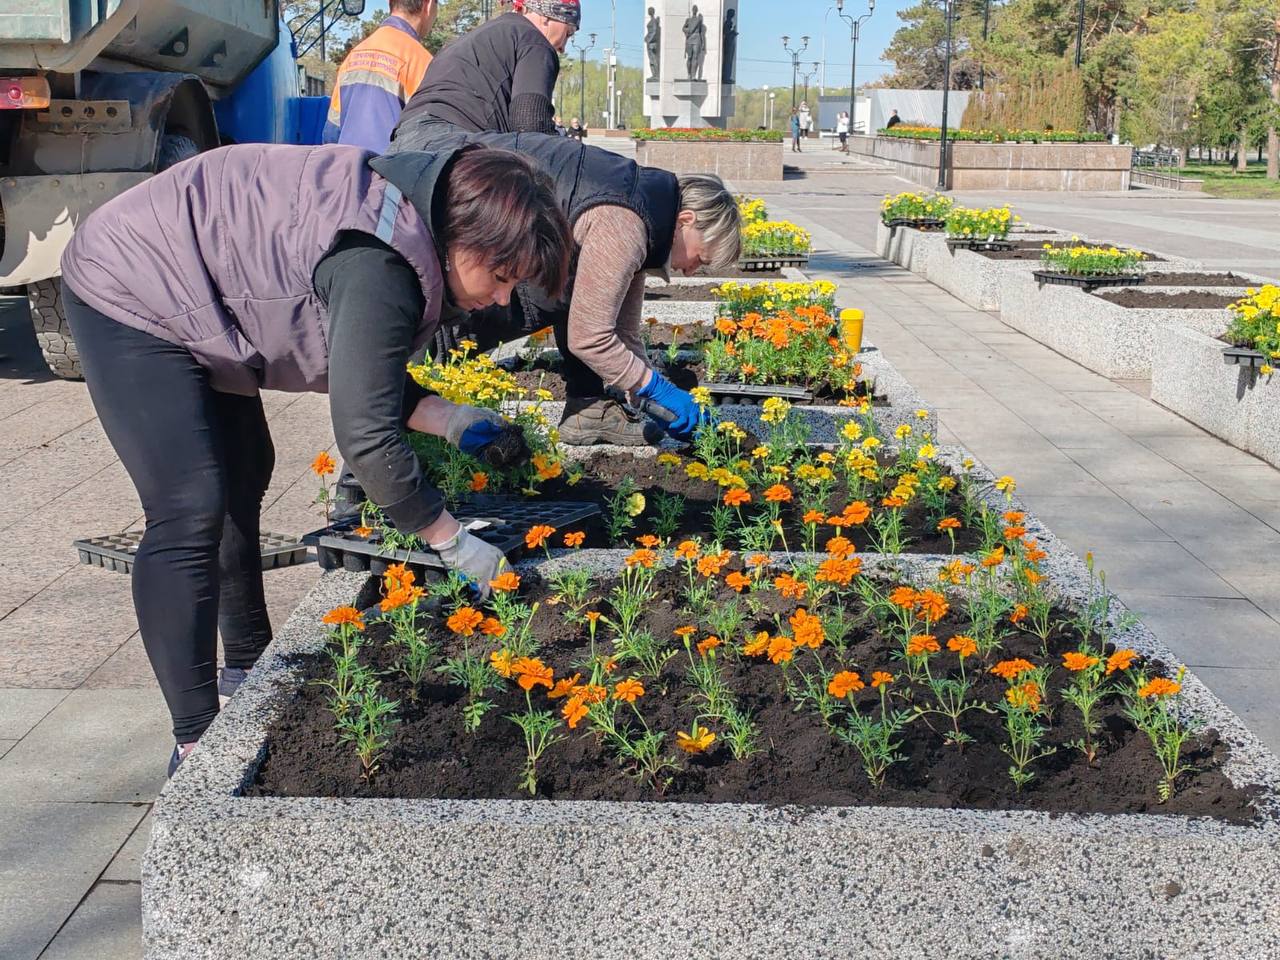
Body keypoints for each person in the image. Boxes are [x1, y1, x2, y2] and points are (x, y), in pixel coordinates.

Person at [59, 143, 572, 775]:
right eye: (501, 276)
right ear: (465, 235)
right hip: (132, 283)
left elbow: (363, 368)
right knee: (188, 505)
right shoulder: (383, 262)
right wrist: (449, 539)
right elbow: (366, 434)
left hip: (195, 285)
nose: (500, 299)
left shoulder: (406, 232)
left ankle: (245, 669)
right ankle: (195, 744)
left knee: (245, 469)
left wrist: (450, 418)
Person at [392, 123, 742, 446]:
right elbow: (590, 337)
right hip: (445, 213)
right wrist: (657, 388)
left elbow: (623, 333)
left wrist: (646, 397)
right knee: (391, 361)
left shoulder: (644, 211)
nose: (692, 273)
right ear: (686, 220)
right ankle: (362, 485)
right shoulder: (625, 225)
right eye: (703, 257)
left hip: (465, 212)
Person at [397, 0, 578, 137]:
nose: (563, 47)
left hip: (405, 137)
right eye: (568, 33)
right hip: (457, 140)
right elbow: (530, 126)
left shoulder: (469, 39)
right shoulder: (534, 41)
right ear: (547, 16)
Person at [323, 0, 439, 152]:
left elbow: (331, 132)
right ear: (428, 5)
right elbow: (432, 139)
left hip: (349, 170)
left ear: (390, 3)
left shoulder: (353, 56)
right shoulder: (422, 62)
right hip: (390, 173)